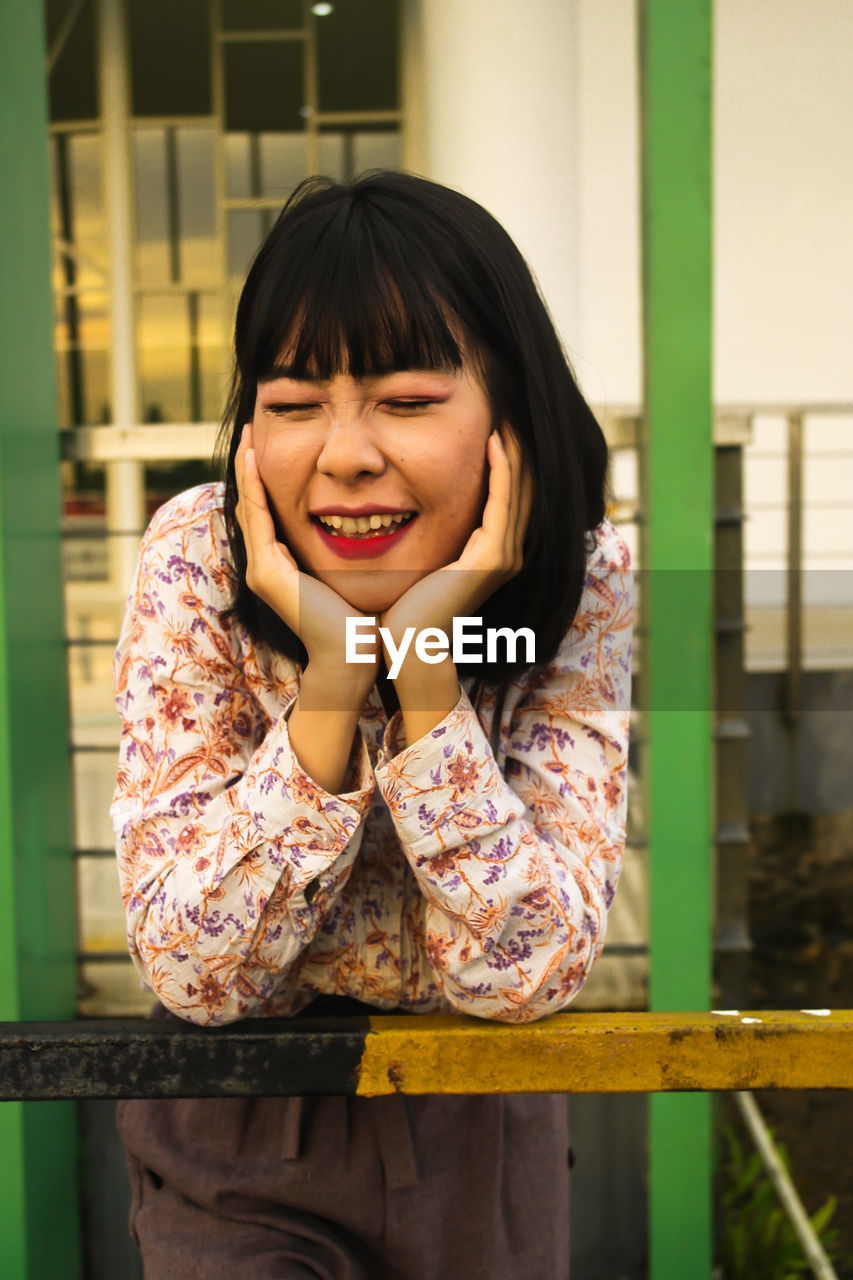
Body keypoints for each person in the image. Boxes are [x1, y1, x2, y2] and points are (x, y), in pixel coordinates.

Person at [111, 171, 633, 1280]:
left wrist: (428, 674)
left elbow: (527, 969)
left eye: (404, 399)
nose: (343, 454)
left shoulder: (583, 576)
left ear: (509, 411)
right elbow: (197, 969)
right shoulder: (197, 559)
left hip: (476, 1125)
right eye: (294, 403)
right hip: (237, 1130)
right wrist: (334, 685)